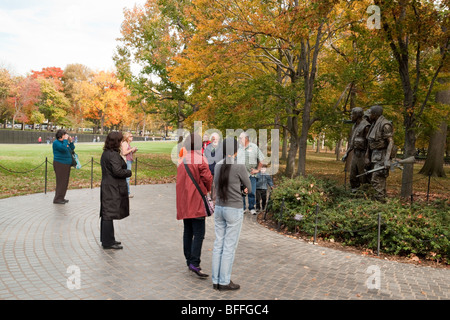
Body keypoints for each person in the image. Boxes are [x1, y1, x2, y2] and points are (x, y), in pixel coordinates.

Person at [212, 137, 252, 291]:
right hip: (233, 209)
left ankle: (216, 280)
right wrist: (243, 189)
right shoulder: (239, 167)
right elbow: (249, 186)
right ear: (236, 151)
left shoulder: (218, 166)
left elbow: (216, 185)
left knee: (218, 245)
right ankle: (224, 281)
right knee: (229, 247)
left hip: (220, 208)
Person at [176, 133, 213, 278]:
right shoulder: (200, 158)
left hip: (185, 200)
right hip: (196, 200)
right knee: (199, 233)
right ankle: (194, 262)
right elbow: (208, 178)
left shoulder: (182, 159)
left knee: (188, 230)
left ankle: (188, 259)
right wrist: (207, 189)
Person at [100, 131, 132, 250]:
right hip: (112, 187)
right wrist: (128, 172)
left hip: (109, 185)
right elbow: (117, 171)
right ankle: (108, 242)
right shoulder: (112, 155)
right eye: (120, 140)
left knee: (107, 213)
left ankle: (108, 239)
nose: (121, 143)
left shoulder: (107, 153)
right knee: (108, 213)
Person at [365, 105, 395, 202]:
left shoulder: (385, 125)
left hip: (382, 156)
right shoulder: (374, 124)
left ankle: (380, 203)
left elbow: (390, 142)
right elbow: (370, 142)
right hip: (375, 155)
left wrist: (387, 159)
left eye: (370, 114)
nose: (369, 116)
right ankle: (377, 202)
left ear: (375, 114)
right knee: (374, 180)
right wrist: (367, 157)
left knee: (377, 180)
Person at [342, 107, 371, 192]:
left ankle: (365, 195)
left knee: (363, 177)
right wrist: (347, 153)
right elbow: (352, 142)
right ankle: (355, 195)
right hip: (355, 154)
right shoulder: (354, 126)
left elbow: (369, 143)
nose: (351, 116)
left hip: (363, 155)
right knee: (353, 176)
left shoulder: (366, 126)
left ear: (357, 115)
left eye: (352, 114)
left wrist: (367, 156)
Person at [237, 131, 265, 215]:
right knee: (241, 191)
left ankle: (251, 207)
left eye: (240, 138)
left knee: (251, 191)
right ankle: (242, 208)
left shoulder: (254, 147)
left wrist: (258, 170)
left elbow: (262, 159)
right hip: (240, 174)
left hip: (251, 174)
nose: (239, 139)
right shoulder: (239, 148)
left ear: (246, 138)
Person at [52, 129, 75, 204]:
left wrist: (70, 141)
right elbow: (63, 149)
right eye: (65, 134)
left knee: (65, 182)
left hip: (66, 164)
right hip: (60, 164)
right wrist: (65, 140)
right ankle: (57, 198)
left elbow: (72, 148)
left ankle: (61, 197)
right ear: (61, 135)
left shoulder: (64, 142)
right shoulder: (56, 143)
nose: (66, 135)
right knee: (60, 182)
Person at [204, 132, 222, 202]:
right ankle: (214, 201)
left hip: (220, 170)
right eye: (213, 139)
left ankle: (220, 200)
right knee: (212, 186)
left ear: (218, 139)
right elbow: (205, 158)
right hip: (211, 169)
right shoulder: (208, 148)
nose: (214, 140)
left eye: (216, 139)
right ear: (211, 140)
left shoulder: (222, 147)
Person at [120, 132, 138, 198]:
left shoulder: (127, 144)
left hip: (129, 161)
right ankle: (127, 193)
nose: (132, 137)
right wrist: (131, 149)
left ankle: (126, 192)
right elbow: (124, 153)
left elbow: (128, 153)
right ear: (127, 137)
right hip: (126, 161)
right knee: (127, 178)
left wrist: (133, 151)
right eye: (130, 136)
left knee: (127, 178)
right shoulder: (124, 143)